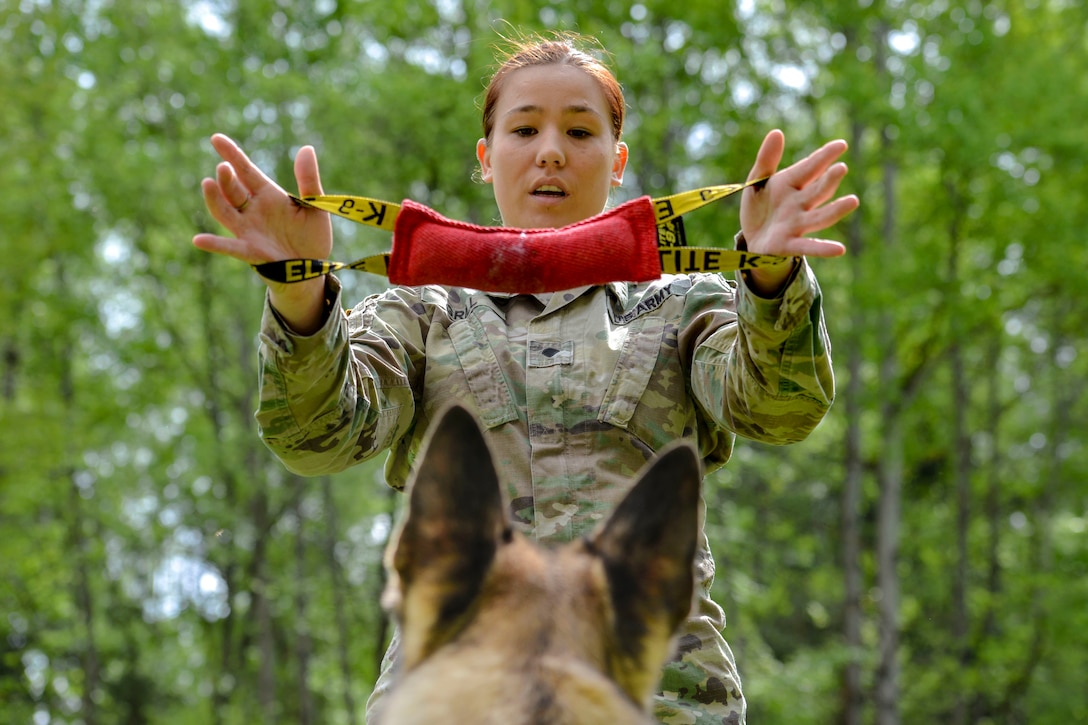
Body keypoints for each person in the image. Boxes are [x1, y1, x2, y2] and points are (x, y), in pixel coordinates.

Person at [194, 32, 858, 725]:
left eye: (579, 129)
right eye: (524, 128)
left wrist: (772, 277)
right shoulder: (423, 309)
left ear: (617, 159)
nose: (551, 150)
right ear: (487, 158)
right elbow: (314, 437)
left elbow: (781, 410)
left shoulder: (684, 302)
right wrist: (299, 293)